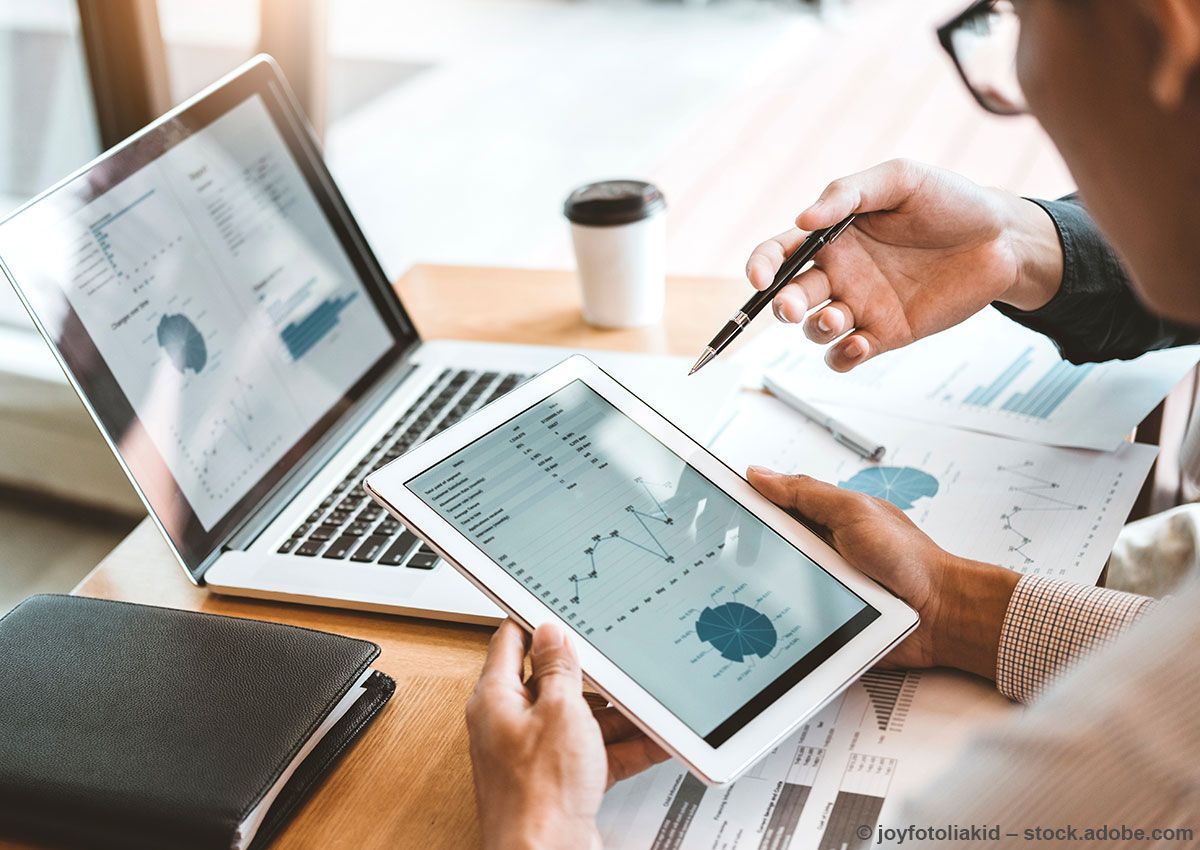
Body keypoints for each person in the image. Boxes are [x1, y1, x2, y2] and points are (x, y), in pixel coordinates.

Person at [465, 1, 1200, 847]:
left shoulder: (1146, 758)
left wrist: (537, 828)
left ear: (1167, 34)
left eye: (1014, 11)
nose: (1020, 73)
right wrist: (955, 609)